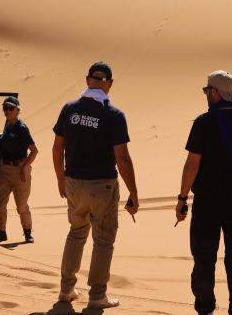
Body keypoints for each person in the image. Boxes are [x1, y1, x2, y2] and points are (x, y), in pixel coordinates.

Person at [175, 71, 232, 315]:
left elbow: (191, 165)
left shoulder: (203, 123)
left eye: (207, 90)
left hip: (207, 204)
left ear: (216, 92)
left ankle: (205, 308)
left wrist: (182, 199)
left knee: (204, 259)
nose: (206, 94)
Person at [52, 61, 139, 310]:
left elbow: (57, 148)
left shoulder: (69, 109)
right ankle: (97, 295)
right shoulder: (114, 115)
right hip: (102, 186)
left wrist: (61, 179)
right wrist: (133, 192)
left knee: (76, 233)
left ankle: (66, 289)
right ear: (109, 84)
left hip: (73, 183)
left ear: (87, 80)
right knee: (103, 240)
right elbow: (122, 158)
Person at [0, 95, 38, 244]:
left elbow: (34, 150)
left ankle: (27, 232)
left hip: (20, 171)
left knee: (21, 206)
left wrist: (25, 167)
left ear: (17, 110)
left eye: (10, 108)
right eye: (5, 108)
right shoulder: (7, 124)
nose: (7, 111)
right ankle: (0, 231)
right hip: (4, 170)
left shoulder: (21, 128)